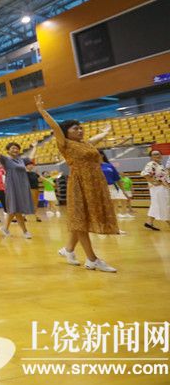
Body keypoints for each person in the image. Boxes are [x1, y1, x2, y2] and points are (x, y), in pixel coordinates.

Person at [35, 95, 118, 272]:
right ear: (67, 132)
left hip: (95, 184)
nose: (80, 130)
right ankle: (92, 259)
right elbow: (55, 127)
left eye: (81, 128)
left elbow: (98, 138)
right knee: (80, 220)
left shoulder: (86, 144)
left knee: (82, 220)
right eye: (75, 128)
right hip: (79, 184)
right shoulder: (65, 144)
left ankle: (68, 249)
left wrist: (105, 132)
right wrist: (42, 111)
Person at [0, 136, 38, 238]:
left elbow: (31, 158)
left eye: (17, 148)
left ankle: (5, 228)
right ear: (8, 151)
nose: (15, 150)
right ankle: (25, 232)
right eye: (12, 148)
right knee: (17, 209)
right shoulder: (6, 160)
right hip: (12, 186)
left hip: (22, 186)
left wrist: (35, 147)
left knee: (14, 209)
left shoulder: (21, 160)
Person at [98, 151, 131, 220]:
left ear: (102, 155)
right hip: (99, 189)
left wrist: (123, 190)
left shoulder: (109, 166)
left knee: (114, 205)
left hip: (111, 187)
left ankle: (115, 224)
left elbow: (117, 179)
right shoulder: (93, 166)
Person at [142, 149, 169, 231]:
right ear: (151, 157)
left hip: (161, 188)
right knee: (164, 205)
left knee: (155, 205)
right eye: (155, 154)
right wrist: (154, 182)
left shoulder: (159, 165)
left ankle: (149, 223)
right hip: (158, 189)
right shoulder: (151, 164)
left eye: (159, 154)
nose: (157, 155)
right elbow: (145, 174)